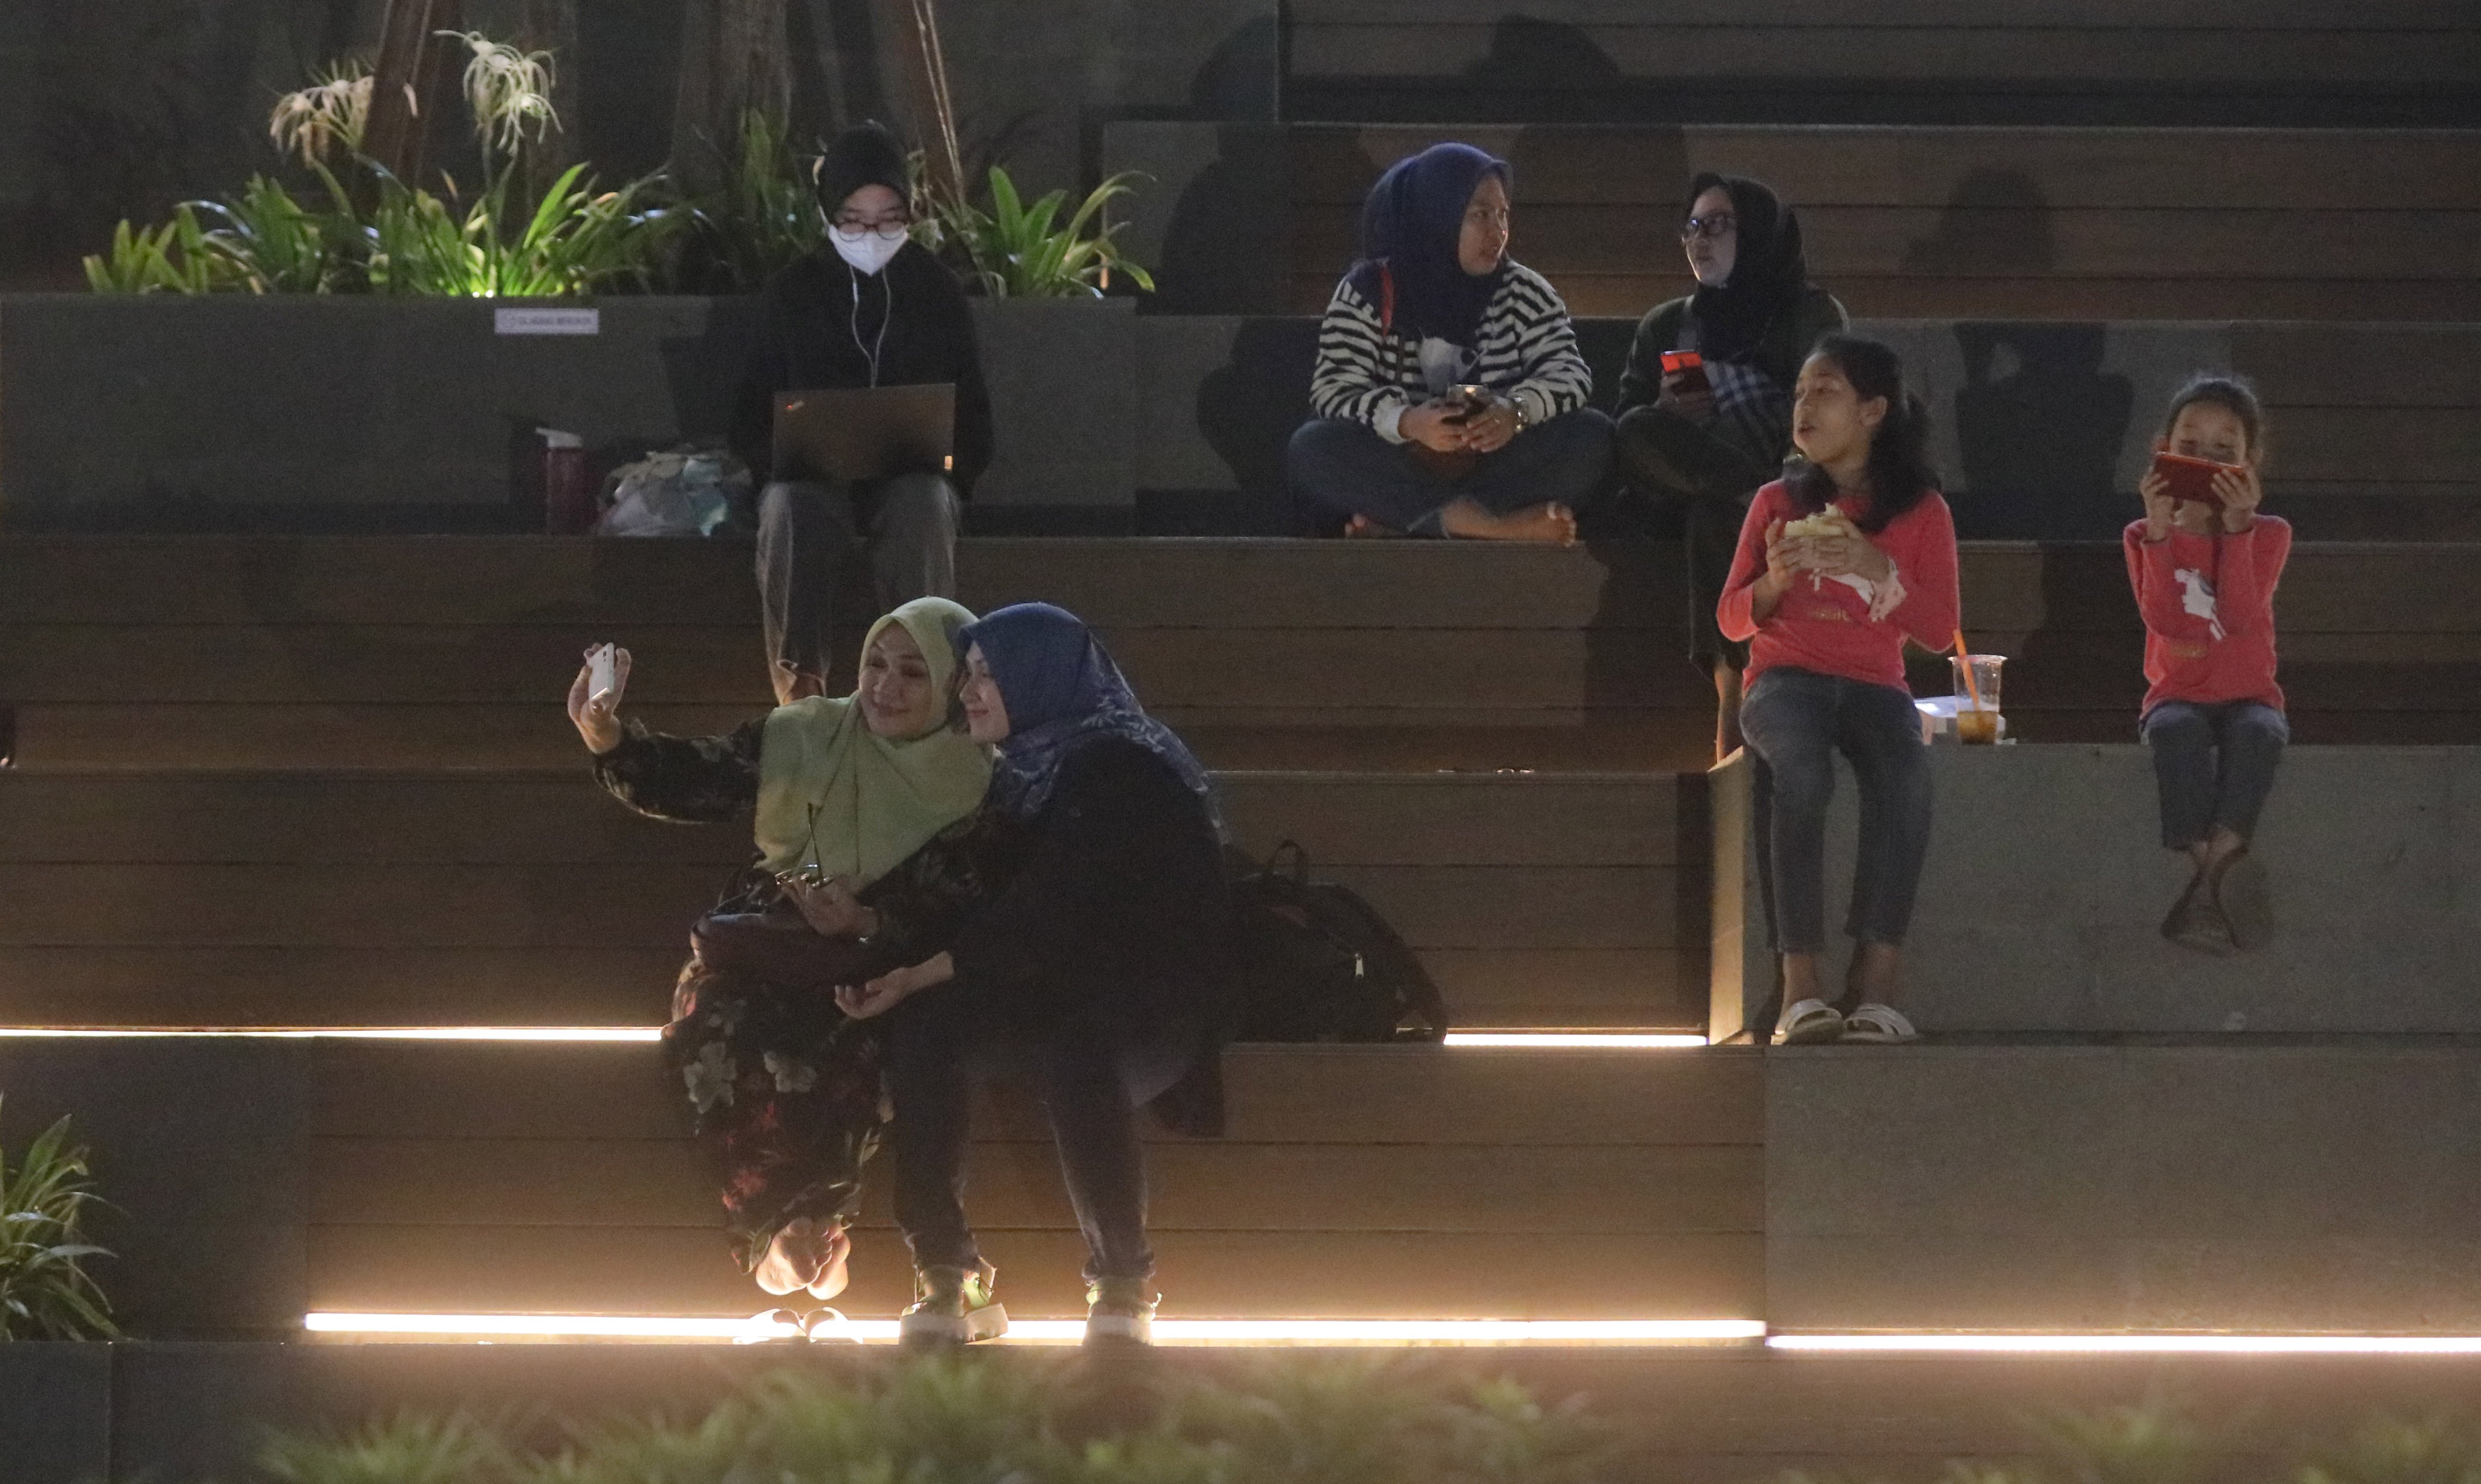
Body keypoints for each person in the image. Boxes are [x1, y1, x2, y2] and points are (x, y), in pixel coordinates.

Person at [568, 598, 1004, 1321]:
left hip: (883, 964)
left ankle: (800, 1233)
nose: (883, 688)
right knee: (712, 1025)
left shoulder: (976, 778)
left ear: (954, 686)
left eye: (911, 674)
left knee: (852, 1043)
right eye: (873, 664)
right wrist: (608, 734)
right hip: (765, 944)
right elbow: (697, 779)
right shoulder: (806, 732)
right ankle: (802, 1232)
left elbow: (964, 904)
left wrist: (868, 920)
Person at [834, 603, 1231, 1349]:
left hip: (1153, 1008)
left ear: (1042, 678)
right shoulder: (1028, 771)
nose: (971, 693)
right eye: (971, 675)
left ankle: (1123, 1279)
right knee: (932, 1030)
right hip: (1051, 992)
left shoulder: (1118, 764)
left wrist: (919, 972)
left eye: (990, 675)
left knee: (1076, 1047)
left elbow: (1051, 907)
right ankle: (948, 1273)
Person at [1718, 335, 1958, 1047]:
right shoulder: (1775, 501)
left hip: (1875, 682)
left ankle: (1879, 984)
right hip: (1785, 678)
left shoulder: (1921, 512)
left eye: (1825, 391)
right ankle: (1801, 986)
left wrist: (1873, 563)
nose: (1805, 405)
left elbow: (1941, 631)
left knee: (1907, 778)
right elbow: (1731, 618)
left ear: (1874, 411)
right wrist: (1774, 583)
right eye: (1799, 393)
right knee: (1801, 772)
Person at [731, 121, 995, 706]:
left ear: (910, 214)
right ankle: (799, 692)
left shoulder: (935, 290)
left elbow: (975, 416)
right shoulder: (792, 292)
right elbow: (749, 414)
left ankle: (925, 680)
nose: (871, 234)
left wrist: (946, 460)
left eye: (888, 219)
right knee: (787, 506)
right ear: (829, 214)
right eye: (854, 219)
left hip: (911, 478)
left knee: (923, 502)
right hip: (813, 482)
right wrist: (784, 455)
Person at [1615, 173, 1848, 762]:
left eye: (1717, 224)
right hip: (1694, 474)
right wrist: (1667, 412)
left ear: (1759, 234)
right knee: (1637, 432)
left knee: (1717, 517)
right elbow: (1629, 429)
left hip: (1784, 478)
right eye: (1692, 226)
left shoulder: (1808, 311)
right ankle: (1753, 498)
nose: (1700, 239)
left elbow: (1829, 405)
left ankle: (1730, 703)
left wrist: (1787, 483)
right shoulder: (1666, 325)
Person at [1287, 142, 1611, 542]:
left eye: (1503, 215)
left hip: (1492, 463)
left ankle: (1412, 523)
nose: (1498, 232)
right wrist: (1408, 423)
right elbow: (1332, 390)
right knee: (1313, 447)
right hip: (1404, 460)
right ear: (1437, 215)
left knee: (1592, 436)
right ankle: (1489, 526)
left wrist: (1515, 412)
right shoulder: (1369, 290)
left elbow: (1570, 375)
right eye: (1480, 215)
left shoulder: (1525, 291)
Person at [2125, 375, 2289, 955]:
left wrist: (2240, 530)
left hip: (2249, 694)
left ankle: (2205, 883)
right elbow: (2167, 621)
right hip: (2176, 695)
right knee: (2174, 733)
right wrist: (2162, 534)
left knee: (2260, 733)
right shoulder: (2143, 535)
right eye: (2189, 448)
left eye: (2225, 452)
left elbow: (2241, 617)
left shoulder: (2269, 534)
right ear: (2160, 449)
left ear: (2251, 461)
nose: (2206, 462)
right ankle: (2220, 870)